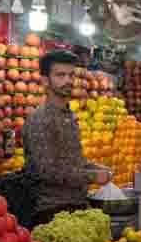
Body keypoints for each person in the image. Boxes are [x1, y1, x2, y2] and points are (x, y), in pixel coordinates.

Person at [23, 51, 112, 226]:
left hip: (75, 205)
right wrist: (91, 176)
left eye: (71, 75)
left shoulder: (69, 115)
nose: (68, 81)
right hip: (51, 212)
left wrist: (92, 166)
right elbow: (48, 171)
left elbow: (71, 161)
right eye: (60, 75)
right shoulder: (41, 119)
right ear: (45, 81)